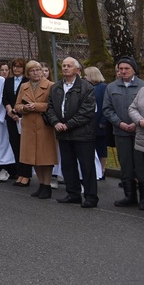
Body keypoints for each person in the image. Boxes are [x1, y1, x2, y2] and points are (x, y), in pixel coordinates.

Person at [46, 57, 99, 208]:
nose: (65, 68)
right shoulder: (56, 87)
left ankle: (90, 196)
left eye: (69, 66)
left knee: (86, 166)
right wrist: (56, 122)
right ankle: (73, 193)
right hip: (63, 133)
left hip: (83, 133)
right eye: (63, 65)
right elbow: (50, 108)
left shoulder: (86, 87)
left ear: (77, 70)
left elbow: (87, 111)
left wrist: (68, 125)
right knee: (68, 165)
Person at [103, 57, 142, 207]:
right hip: (121, 132)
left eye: (127, 68)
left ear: (134, 70)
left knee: (141, 166)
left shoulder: (142, 86)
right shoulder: (111, 87)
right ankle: (129, 196)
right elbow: (107, 109)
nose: (123, 71)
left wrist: (136, 122)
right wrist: (120, 123)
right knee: (125, 165)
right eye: (121, 69)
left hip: (140, 133)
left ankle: (143, 198)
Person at [15, 60, 57, 199]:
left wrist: (37, 106)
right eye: (33, 70)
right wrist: (24, 108)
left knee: (45, 157)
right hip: (28, 126)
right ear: (27, 73)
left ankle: (47, 185)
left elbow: (53, 105)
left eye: (38, 70)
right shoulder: (24, 86)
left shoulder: (50, 86)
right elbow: (17, 105)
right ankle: (41, 184)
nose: (36, 72)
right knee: (33, 158)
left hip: (43, 126)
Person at [2, 58, 30, 185]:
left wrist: (18, 112)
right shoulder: (8, 81)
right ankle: (19, 173)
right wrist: (9, 109)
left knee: (25, 146)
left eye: (19, 67)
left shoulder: (27, 81)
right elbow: (5, 97)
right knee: (15, 145)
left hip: (23, 117)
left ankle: (26, 175)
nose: (16, 69)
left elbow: (27, 99)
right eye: (14, 67)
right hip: (11, 117)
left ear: (23, 69)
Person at [84, 66, 110, 180]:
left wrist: (103, 121)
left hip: (100, 122)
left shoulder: (104, 87)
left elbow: (107, 105)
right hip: (90, 123)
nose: (84, 77)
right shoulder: (87, 87)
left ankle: (103, 169)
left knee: (101, 147)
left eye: (86, 74)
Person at [125, 84, 144, 210]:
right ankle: (143, 199)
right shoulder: (142, 90)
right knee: (141, 172)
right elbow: (132, 108)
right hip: (141, 141)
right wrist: (139, 120)